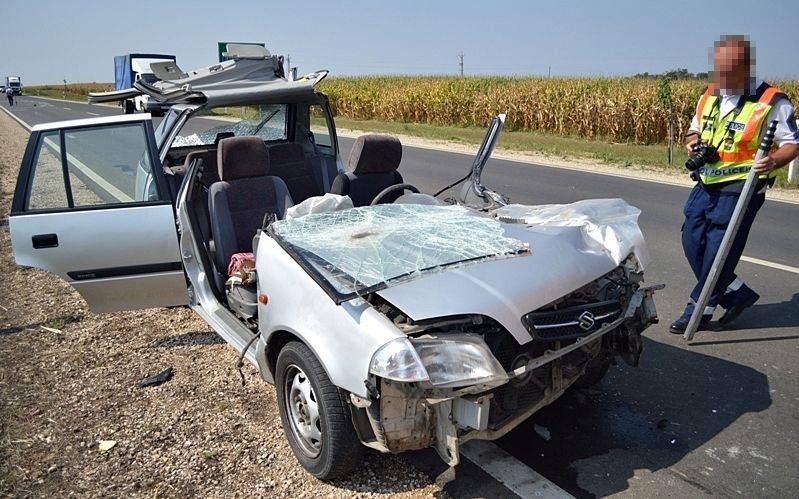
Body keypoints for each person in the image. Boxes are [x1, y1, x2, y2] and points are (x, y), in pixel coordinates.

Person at [670, 35, 799, 334]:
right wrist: (692, 142)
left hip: (742, 186)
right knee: (692, 240)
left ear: (747, 68)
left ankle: (698, 310)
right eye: (718, 70)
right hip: (707, 180)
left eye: (728, 72)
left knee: (719, 250)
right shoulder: (710, 93)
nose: (722, 78)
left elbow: (792, 143)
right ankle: (737, 293)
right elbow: (693, 129)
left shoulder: (772, 101)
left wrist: (773, 161)